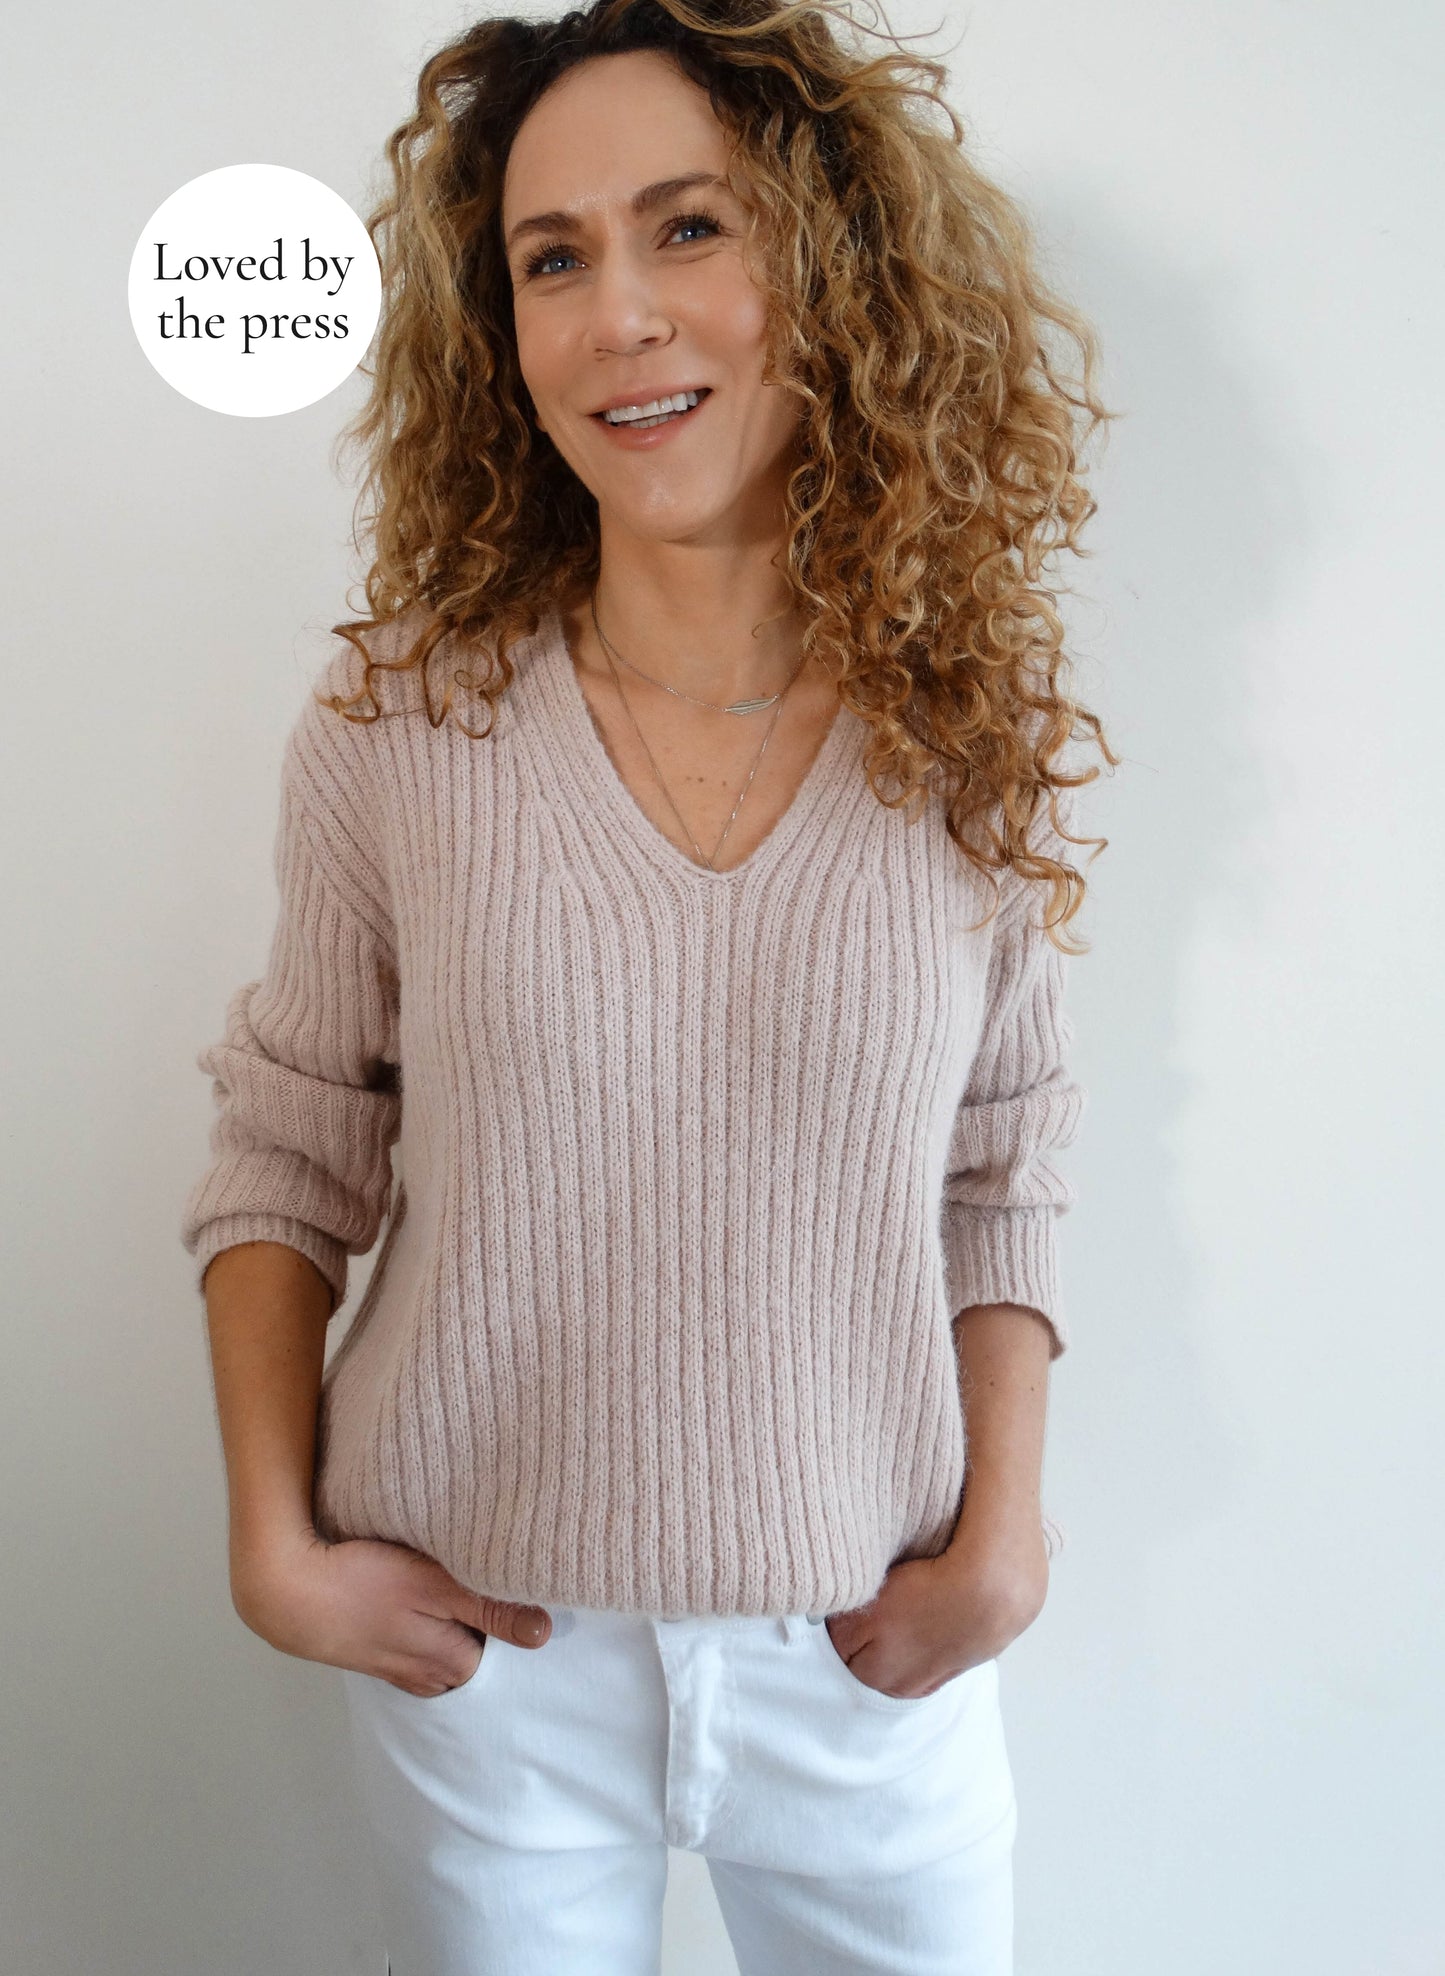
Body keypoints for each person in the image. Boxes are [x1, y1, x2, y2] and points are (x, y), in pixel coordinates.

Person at [180, 0, 1119, 1968]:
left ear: (835, 268)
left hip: (868, 1651)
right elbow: (288, 1148)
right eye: (552, 258)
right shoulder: (398, 725)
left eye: (690, 227)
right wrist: (275, 1544)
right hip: (488, 1662)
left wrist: (1002, 1543)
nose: (617, 315)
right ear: (498, 329)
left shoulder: (971, 729)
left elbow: (1003, 1159)